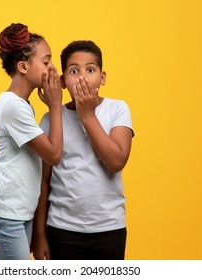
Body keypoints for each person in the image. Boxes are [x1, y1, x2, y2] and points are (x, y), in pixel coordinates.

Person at [32, 40, 134, 260]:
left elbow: (117, 161)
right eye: (73, 70)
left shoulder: (117, 109)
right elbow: (43, 180)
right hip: (61, 228)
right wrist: (39, 234)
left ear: (102, 77)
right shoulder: (52, 119)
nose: (82, 77)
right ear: (62, 81)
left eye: (90, 69)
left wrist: (87, 115)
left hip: (109, 227)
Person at [0, 23, 63, 260]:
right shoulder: (12, 107)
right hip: (4, 215)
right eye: (46, 62)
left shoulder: (21, 104)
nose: (52, 68)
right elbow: (53, 155)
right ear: (23, 66)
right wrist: (55, 105)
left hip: (17, 211)